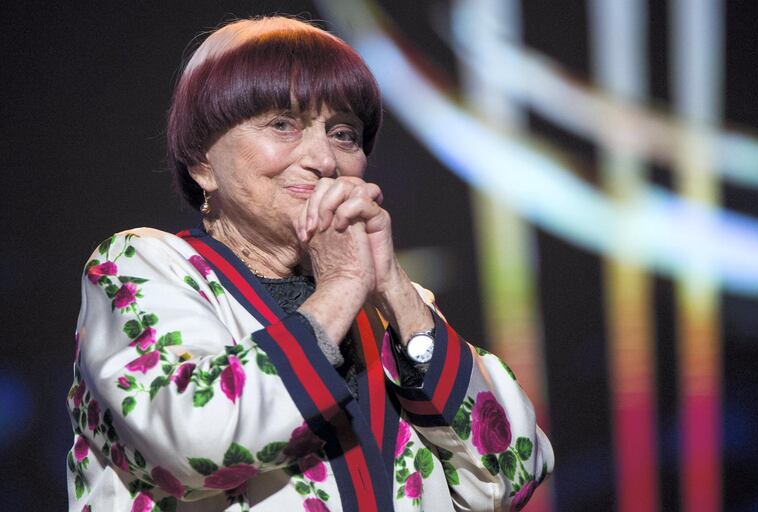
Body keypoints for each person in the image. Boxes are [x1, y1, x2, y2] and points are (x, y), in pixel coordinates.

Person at [66, 16, 553, 512]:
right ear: (202, 163)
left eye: (344, 133)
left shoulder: (392, 309)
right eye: (283, 124)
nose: (323, 158)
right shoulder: (142, 265)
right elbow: (191, 445)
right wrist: (342, 287)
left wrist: (395, 290)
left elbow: (509, 475)